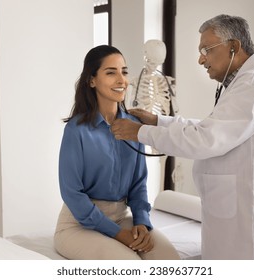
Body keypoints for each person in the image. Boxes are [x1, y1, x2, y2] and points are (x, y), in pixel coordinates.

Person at [111, 14, 254, 260]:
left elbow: (206, 139)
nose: (201, 59)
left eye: (206, 50)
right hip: (232, 214)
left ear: (234, 47)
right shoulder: (246, 82)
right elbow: (213, 129)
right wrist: (158, 121)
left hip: (251, 223)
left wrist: (139, 132)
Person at [54, 45, 180, 260]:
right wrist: (118, 234)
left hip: (123, 218)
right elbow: (72, 193)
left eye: (124, 71)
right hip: (78, 224)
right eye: (111, 72)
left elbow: (138, 183)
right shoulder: (76, 130)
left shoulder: (134, 126)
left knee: (170, 260)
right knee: (128, 265)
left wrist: (141, 221)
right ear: (92, 80)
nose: (121, 80)